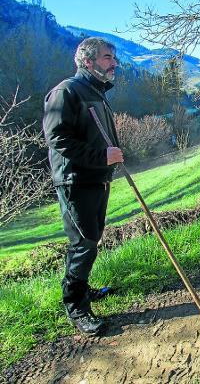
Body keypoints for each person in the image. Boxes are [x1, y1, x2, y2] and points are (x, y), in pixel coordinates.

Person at [43, 37, 123, 335]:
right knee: (83, 243)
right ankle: (76, 306)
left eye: (113, 57)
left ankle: (83, 290)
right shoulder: (66, 92)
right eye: (106, 57)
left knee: (92, 238)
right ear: (86, 61)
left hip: (96, 179)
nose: (113, 62)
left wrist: (107, 158)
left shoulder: (96, 92)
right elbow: (58, 139)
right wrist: (102, 156)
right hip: (75, 182)